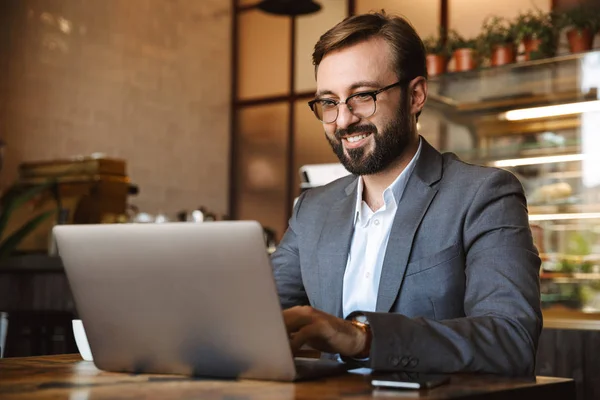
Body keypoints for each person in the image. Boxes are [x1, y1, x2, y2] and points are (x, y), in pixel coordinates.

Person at [271, 11, 542, 376]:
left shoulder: (483, 195)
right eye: (330, 102)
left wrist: (362, 338)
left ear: (415, 95)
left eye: (362, 96)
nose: (344, 119)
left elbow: (510, 339)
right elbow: (259, 317)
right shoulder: (312, 209)